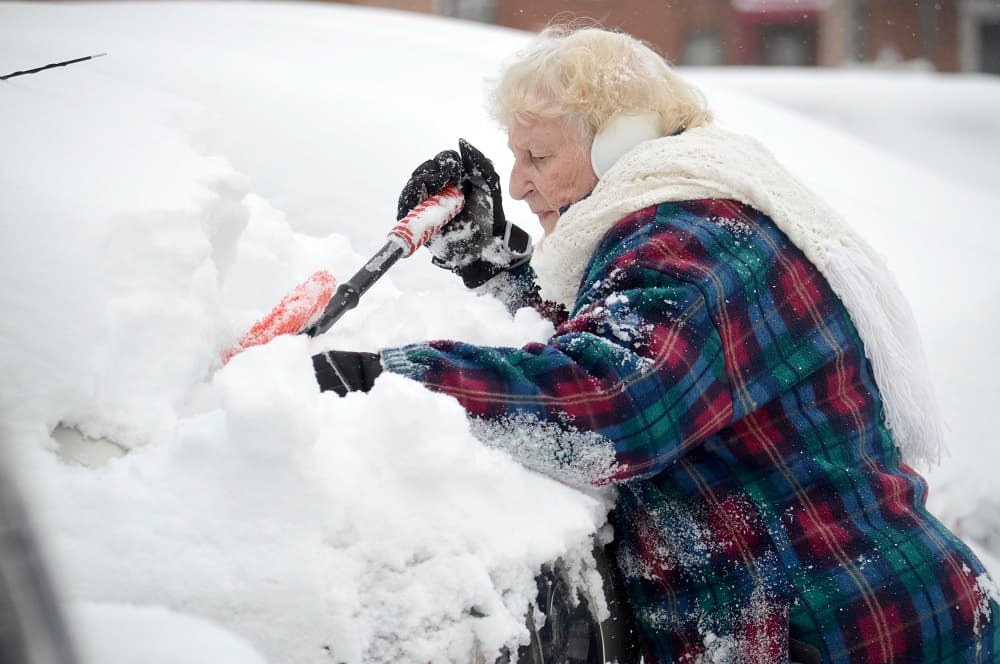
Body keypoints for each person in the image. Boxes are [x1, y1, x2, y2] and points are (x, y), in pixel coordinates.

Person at [311, 25, 1000, 662]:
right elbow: (620, 339)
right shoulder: (684, 226)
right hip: (842, 618)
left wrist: (387, 376)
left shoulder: (696, 241)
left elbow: (611, 402)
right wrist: (492, 265)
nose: (518, 184)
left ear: (619, 143)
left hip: (855, 632)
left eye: (539, 157)